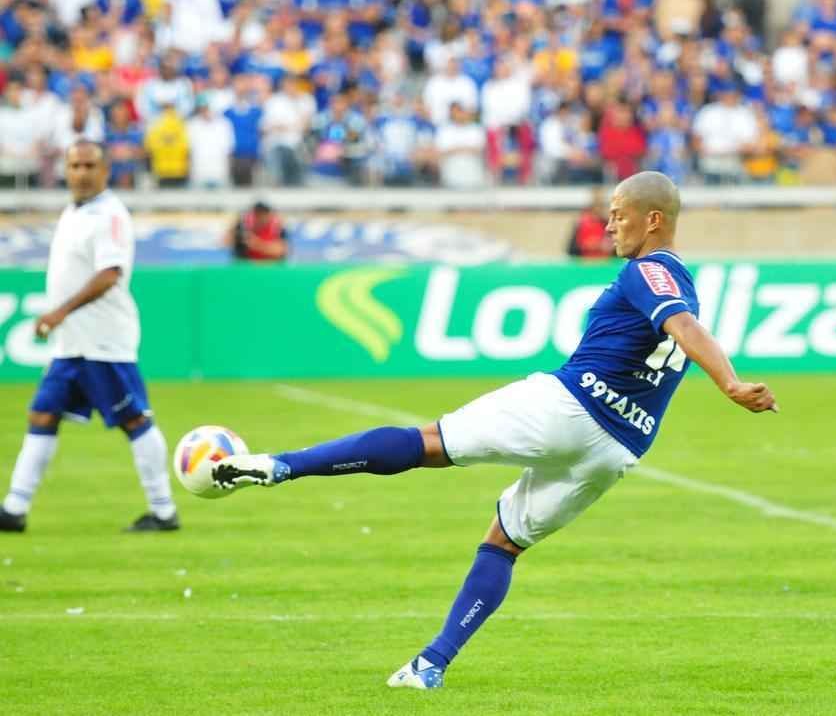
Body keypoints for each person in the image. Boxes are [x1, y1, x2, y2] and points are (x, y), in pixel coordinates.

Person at [206, 171, 778, 689]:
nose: (608, 225)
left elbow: (683, 327)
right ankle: (430, 665)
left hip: (570, 406)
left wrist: (729, 383)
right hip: (616, 450)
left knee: (429, 442)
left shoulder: (648, 270)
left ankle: (281, 465)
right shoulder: (684, 280)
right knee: (503, 542)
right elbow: (684, 324)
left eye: (618, 214)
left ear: (652, 220)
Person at [0, 142, 178, 533]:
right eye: (74, 165)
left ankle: (164, 511)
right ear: (65, 170)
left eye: (89, 165)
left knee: (134, 420)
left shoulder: (110, 214)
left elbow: (110, 273)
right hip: (72, 344)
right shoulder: (74, 211)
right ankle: (14, 508)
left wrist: (59, 312)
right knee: (42, 414)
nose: (81, 173)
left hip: (104, 342)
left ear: (105, 170)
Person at [566, 186, 614, 258]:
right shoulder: (581, 223)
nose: (599, 207)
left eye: (601, 204)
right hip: (585, 262)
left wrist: (609, 246)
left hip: (604, 262)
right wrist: (590, 245)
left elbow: (616, 248)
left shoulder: (608, 224)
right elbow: (571, 249)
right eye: (597, 203)